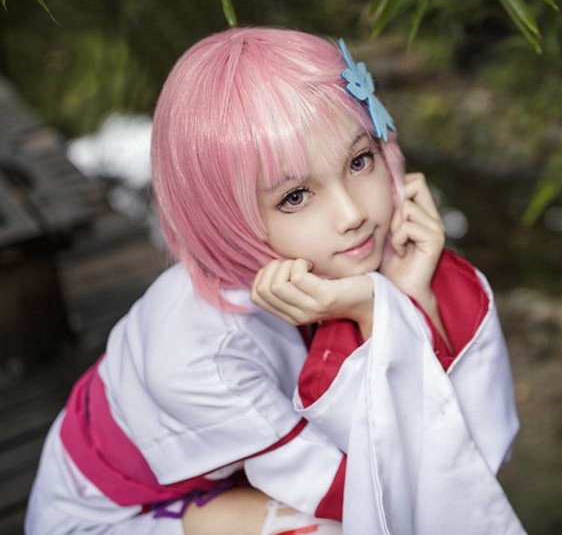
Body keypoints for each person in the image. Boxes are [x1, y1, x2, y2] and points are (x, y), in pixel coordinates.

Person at [26, 27, 524, 534]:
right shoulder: (199, 352)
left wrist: (408, 296)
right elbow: (380, 493)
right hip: (116, 518)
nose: (352, 214)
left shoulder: (341, 260)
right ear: (225, 216)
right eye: (295, 197)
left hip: (236, 482)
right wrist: (374, 310)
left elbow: (461, 456)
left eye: (359, 161)